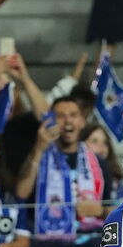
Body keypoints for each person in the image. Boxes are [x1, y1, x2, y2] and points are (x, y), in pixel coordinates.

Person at [15, 96, 117, 238]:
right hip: (47, 246)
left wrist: (101, 211)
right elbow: (21, 193)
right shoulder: (38, 157)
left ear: (82, 122)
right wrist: (38, 150)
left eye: (73, 115)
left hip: (90, 245)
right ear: (51, 122)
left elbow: (114, 209)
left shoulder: (99, 163)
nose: (68, 121)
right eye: (61, 116)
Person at [80, 124, 123, 201]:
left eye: (105, 142)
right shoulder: (75, 174)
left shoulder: (115, 178)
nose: (101, 146)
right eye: (94, 141)